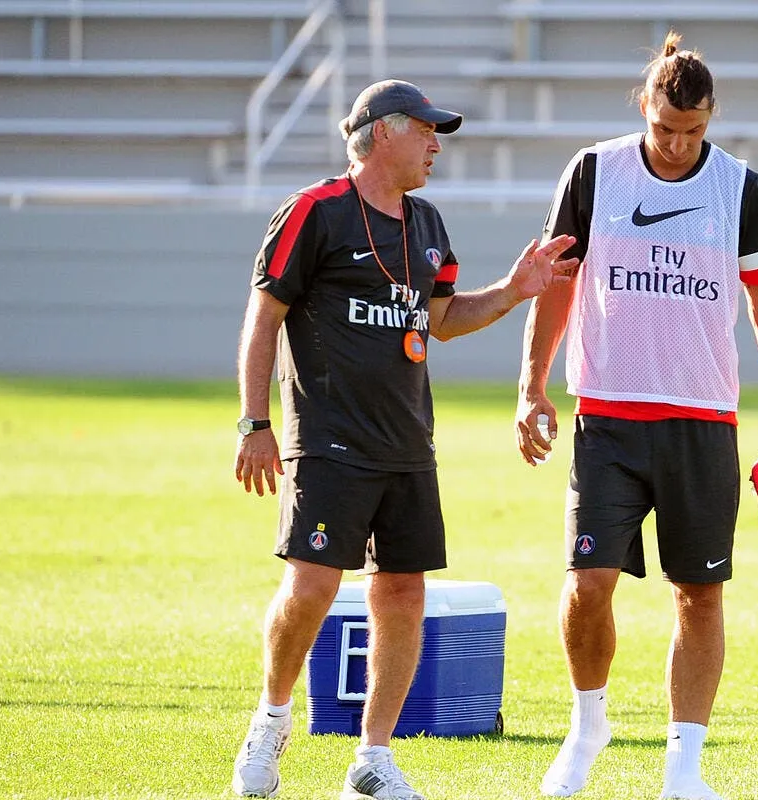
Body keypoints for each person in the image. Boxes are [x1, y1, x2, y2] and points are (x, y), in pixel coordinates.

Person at [231, 79, 578, 800]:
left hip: (408, 446)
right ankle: (270, 720)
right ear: (382, 133)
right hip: (326, 440)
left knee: (401, 595)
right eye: (426, 130)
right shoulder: (313, 212)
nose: (436, 144)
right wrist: (255, 424)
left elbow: (444, 319)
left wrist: (516, 290)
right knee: (313, 585)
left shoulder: (427, 224)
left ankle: (373, 758)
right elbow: (263, 318)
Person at [514, 33, 758, 800]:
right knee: (587, 583)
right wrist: (531, 386)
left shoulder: (740, 187)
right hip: (606, 420)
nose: (678, 146)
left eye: (694, 132)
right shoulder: (593, 172)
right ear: (643, 107)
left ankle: (684, 768)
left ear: (710, 120)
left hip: (704, 422)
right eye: (665, 128)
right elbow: (555, 285)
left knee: (700, 593)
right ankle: (588, 725)